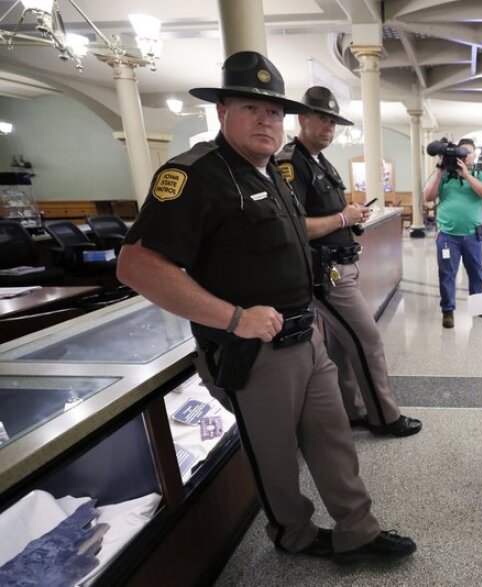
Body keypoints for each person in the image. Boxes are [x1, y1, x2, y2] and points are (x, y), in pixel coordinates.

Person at [116, 51, 416, 563]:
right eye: (251, 108)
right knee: (275, 458)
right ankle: (293, 534)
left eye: (274, 113)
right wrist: (234, 318)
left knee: (333, 439)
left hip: (308, 334)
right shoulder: (194, 176)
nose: (266, 120)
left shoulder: (271, 172)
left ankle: (357, 529)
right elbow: (136, 266)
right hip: (253, 350)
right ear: (222, 112)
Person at [276, 86, 422, 438]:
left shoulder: (319, 161)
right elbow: (293, 226)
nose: (328, 128)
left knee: (343, 343)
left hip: (340, 265)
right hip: (324, 273)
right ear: (303, 119)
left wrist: (351, 216)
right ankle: (384, 417)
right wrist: (343, 219)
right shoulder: (290, 162)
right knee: (368, 338)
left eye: (333, 122)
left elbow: (329, 213)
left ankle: (353, 409)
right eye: (321, 119)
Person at [423, 138, 482, 328]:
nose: (465, 156)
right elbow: (428, 197)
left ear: (473, 155)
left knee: (476, 273)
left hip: (473, 236)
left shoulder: (480, 175)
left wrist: (467, 175)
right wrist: (439, 171)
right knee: (446, 274)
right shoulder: (445, 177)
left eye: (468, 152)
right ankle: (448, 311)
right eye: (463, 152)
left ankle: (479, 306)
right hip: (447, 236)